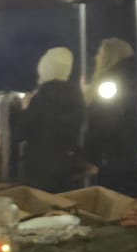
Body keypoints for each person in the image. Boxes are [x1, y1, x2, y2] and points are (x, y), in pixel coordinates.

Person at [15, 47, 86, 194]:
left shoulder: (41, 97)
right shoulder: (77, 97)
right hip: (67, 165)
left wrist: (25, 109)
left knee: (40, 205)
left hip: (39, 168)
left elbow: (21, 133)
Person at [82, 37, 137, 195]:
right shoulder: (133, 81)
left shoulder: (109, 84)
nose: (96, 57)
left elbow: (102, 122)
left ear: (109, 57)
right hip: (128, 152)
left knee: (112, 198)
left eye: (100, 53)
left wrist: (91, 157)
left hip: (111, 156)